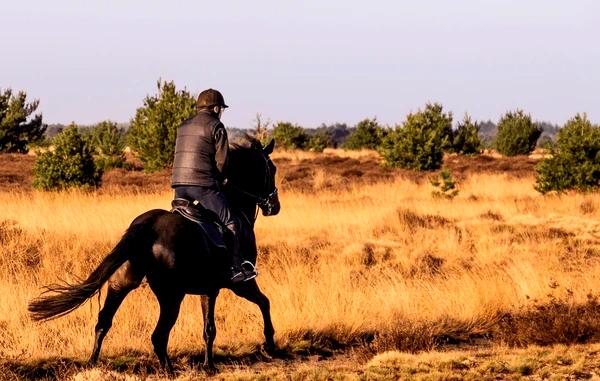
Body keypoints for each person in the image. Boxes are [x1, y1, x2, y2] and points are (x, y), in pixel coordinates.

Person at [171, 88, 256, 283]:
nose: (221, 112)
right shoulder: (216, 126)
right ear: (216, 108)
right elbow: (222, 163)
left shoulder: (182, 126)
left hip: (179, 185)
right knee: (231, 221)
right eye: (221, 109)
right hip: (202, 185)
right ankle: (235, 268)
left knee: (179, 220)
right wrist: (221, 179)